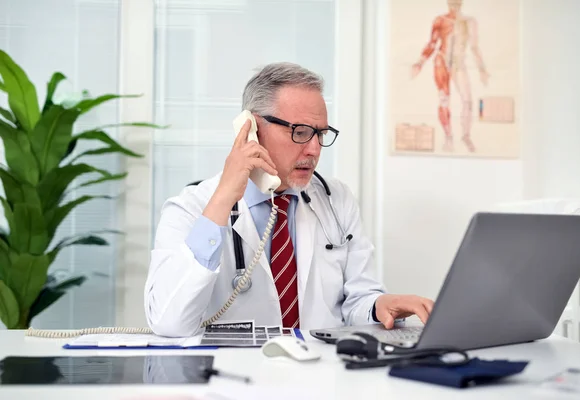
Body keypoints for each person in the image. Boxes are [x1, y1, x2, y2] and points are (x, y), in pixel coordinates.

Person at [144, 62, 434, 337]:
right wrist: (223, 199)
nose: (314, 149)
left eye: (321, 134)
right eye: (301, 132)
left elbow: (358, 299)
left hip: (320, 375)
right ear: (252, 129)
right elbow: (170, 323)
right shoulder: (190, 208)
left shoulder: (337, 200)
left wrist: (378, 306)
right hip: (232, 380)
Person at [410, 0, 489, 153]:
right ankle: (448, 136)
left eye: (457, 4)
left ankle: (466, 135)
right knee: (444, 100)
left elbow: (474, 47)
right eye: (452, 4)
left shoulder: (469, 22)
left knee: (467, 100)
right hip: (442, 62)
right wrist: (420, 62)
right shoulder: (440, 20)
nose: (454, 7)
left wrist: (482, 69)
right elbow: (432, 43)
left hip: (459, 64)